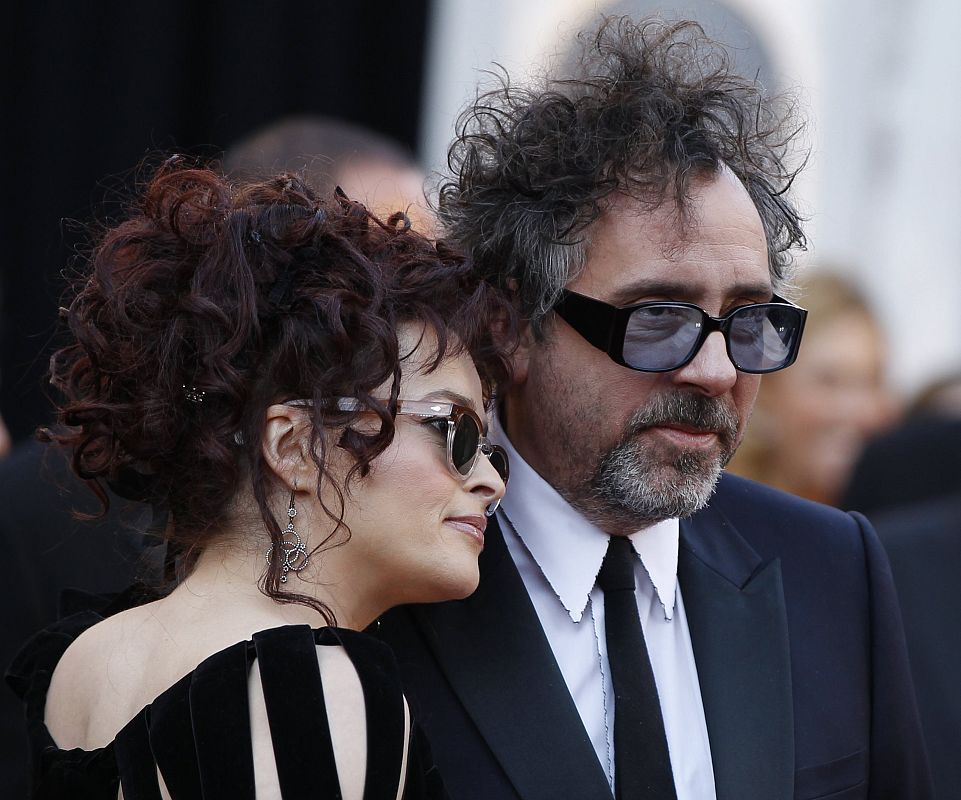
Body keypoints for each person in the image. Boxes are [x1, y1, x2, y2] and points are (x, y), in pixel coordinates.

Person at [377, 16, 931, 800]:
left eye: (748, 319)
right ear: (509, 324)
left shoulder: (829, 569)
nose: (714, 369)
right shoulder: (384, 581)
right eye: (658, 319)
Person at [6, 159, 513, 798]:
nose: (491, 480)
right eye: (456, 432)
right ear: (293, 445)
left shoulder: (83, 661)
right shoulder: (310, 689)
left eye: (490, 447)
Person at [727, 271, 896, 506]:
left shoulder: (899, 522)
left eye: (874, 381)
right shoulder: (711, 518)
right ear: (765, 392)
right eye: (829, 381)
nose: (861, 412)